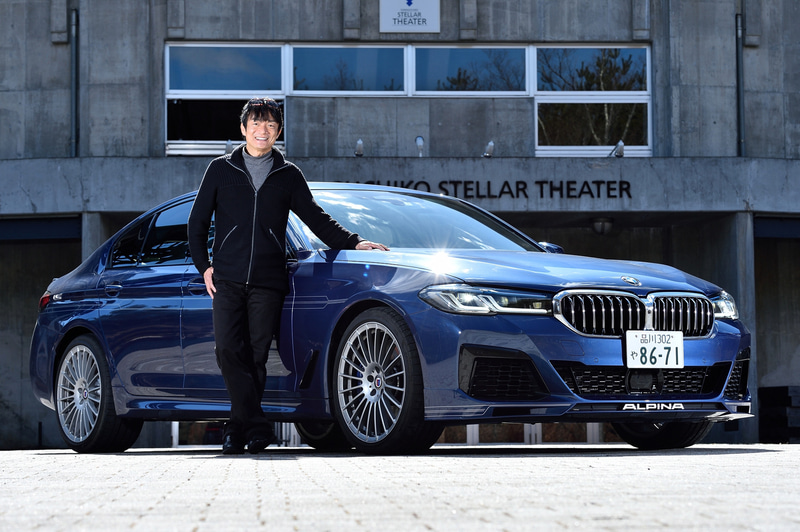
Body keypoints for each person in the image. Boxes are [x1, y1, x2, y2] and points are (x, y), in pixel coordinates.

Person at [187, 97, 388, 455]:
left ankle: (237, 431)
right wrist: (204, 266)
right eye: (256, 123)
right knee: (228, 350)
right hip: (227, 279)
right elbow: (196, 223)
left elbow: (316, 217)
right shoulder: (220, 170)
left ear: (278, 131)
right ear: (243, 128)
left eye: (270, 125)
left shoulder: (288, 175)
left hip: (268, 280)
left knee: (256, 355)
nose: (262, 130)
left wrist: (354, 242)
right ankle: (257, 425)